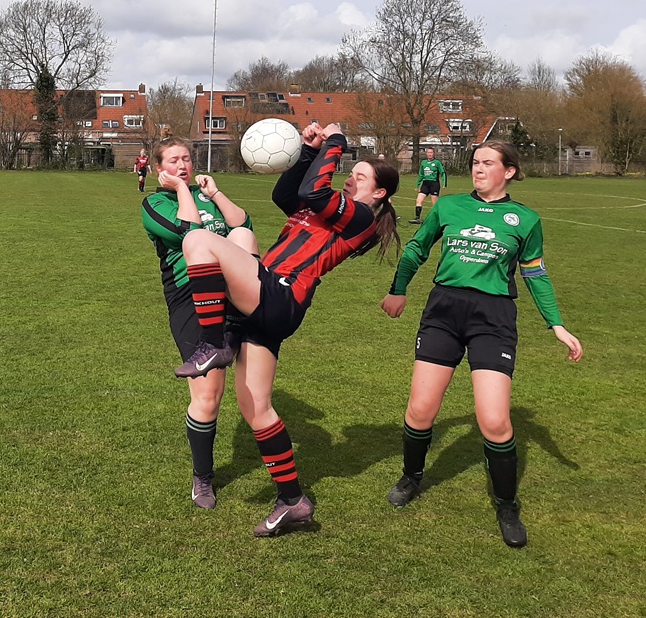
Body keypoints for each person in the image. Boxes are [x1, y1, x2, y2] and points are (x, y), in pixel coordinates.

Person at [173, 123, 401, 536]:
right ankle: (293, 500)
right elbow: (287, 195)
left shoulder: (361, 216)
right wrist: (310, 152)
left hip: (279, 296)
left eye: (360, 176)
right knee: (255, 409)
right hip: (271, 301)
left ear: (379, 192)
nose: (350, 178)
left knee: (199, 243)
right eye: (351, 172)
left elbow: (314, 191)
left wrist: (336, 142)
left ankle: (212, 344)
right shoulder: (324, 210)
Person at [381, 140, 583, 548]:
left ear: (508, 171)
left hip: (493, 319)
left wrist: (556, 325)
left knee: (493, 420)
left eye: (487, 163)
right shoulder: (450, 207)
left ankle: (507, 504)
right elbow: (419, 247)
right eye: (475, 162)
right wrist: (398, 288)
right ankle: (411, 477)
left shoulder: (525, 220)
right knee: (420, 410)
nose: (478, 169)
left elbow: (536, 274)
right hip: (444, 310)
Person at [141, 136, 255, 513]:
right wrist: (180, 190)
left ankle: (249, 314)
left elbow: (244, 225)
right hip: (192, 300)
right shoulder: (154, 202)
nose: (183, 165)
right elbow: (187, 233)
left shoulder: (205, 196)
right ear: (160, 169)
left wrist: (217, 194)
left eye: (187, 159)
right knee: (208, 396)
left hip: (234, 295)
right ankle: (202, 476)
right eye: (173, 161)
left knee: (240, 234)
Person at [411, 146, 447, 224]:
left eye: (431, 152)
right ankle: (417, 218)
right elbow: (421, 174)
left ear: (433, 154)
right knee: (419, 200)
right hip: (425, 184)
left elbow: (442, 173)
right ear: (426, 153)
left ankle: (438, 219)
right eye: (428, 152)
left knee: (434, 203)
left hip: (434, 184)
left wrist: (444, 183)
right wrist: (417, 185)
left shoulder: (437, 163)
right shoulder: (423, 163)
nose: (429, 154)